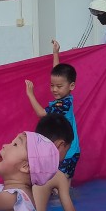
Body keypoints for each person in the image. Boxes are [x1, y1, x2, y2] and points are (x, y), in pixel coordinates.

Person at [25, 42, 81, 179]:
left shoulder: (62, 104)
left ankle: (64, 192)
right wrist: (56, 53)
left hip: (67, 151)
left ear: (71, 86)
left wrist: (30, 94)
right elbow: (57, 74)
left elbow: (41, 114)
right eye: (52, 85)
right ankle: (66, 190)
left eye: (59, 86)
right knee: (64, 180)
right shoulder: (66, 97)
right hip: (70, 149)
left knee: (60, 180)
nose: (54, 89)